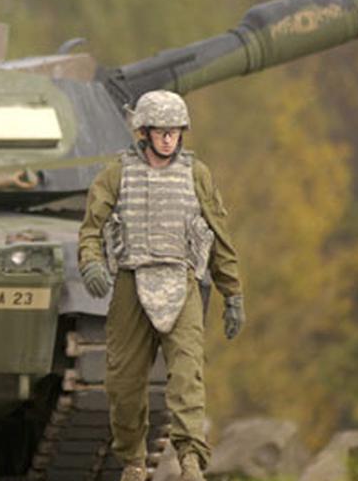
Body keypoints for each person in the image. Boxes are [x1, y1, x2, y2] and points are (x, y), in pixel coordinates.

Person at [77, 90, 246, 481]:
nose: (168, 138)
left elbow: (219, 236)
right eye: (160, 131)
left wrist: (232, 293)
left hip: (182, 281)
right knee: (123, 383)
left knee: (187, 375)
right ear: (144, 131)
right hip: (130, 283)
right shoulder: (117, 173)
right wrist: (92, 263)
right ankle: (133, 462)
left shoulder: (196, 174)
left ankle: (190, 461)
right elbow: (91, 229)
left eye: (174, 131)